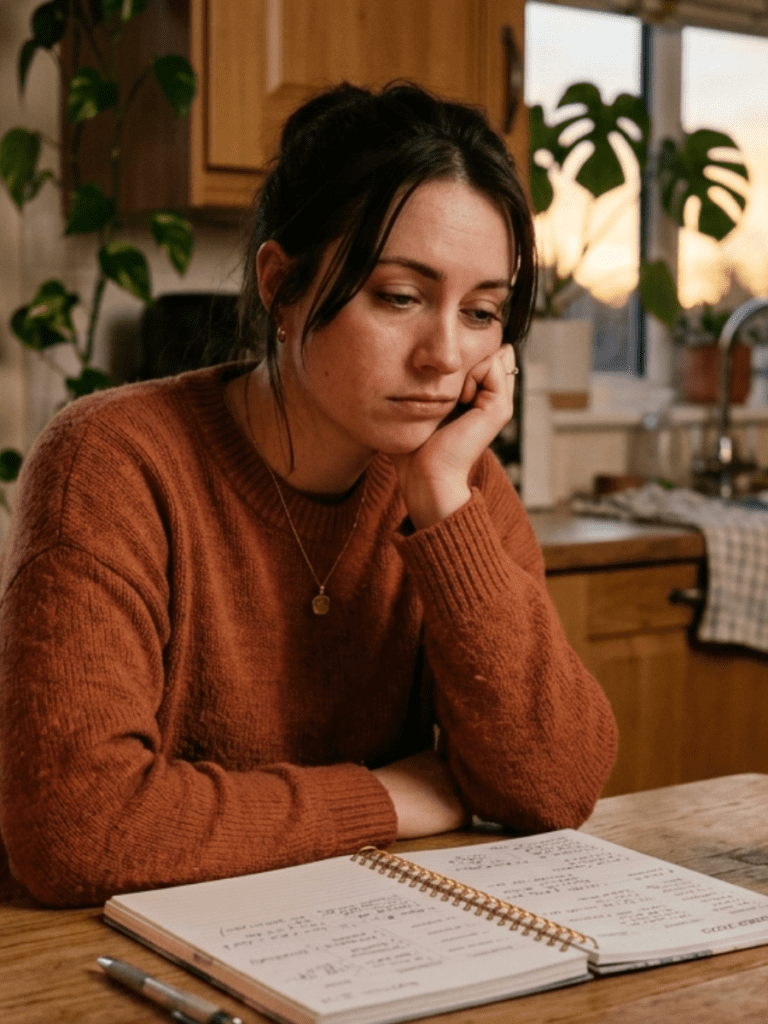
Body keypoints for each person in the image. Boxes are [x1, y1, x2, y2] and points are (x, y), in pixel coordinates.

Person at [0, 82, 617, 908]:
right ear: (282, 287)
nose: (444, 355)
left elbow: (555, 785)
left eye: (480, 311)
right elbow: (77, 832)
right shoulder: (112, 462)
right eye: (400, 297)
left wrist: (440, 497)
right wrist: (390, 798)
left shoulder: (456, 481)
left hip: (364, 945)